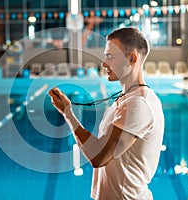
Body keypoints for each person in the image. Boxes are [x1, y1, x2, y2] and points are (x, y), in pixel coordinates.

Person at [49, 27, 164, 200]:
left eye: (110, 57)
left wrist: (69, 115)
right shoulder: (127, 98)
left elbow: (100, 157)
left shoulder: (138, 105)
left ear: (132, 58)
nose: (103, 63)